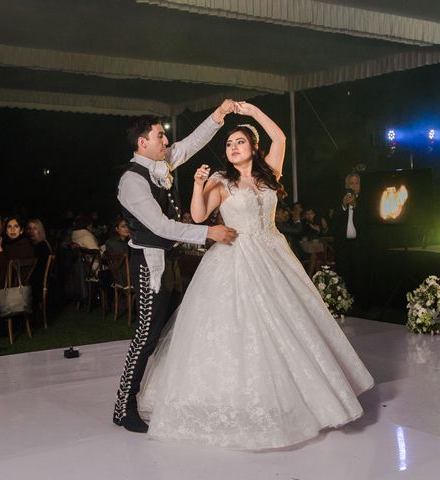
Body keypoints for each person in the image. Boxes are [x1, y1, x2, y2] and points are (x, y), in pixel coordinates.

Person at [136, 102, 374, 450]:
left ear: (253, 147)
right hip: (234, 256)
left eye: (239, 142)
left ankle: (300, 399)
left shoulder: (269, 176)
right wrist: (198, 184)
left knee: (289, 323)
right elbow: (199, 216)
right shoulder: (222, 181)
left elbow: (279, 136)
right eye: (229, 144)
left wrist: (251, 112)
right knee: (241, 328)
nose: (232, 148)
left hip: (274, 254)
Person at [112, 99, 238, 432]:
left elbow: (192, 143)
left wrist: (218, 115)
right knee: (147, 335)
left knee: (167, 331)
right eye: (159, 137)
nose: (166, 142)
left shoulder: (161, 164)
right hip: (149, 263)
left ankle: (160, 396)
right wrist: (207, 231)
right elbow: (161, 227)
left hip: (167, 261)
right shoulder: (132, 181)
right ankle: (124, 407)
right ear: (143, 142)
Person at [333, 173, 370, 309]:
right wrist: (343, 205)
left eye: (356, 184)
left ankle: (361, 306)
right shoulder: (339, 200)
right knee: (344, 274)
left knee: (360, 275)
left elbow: (367, 220)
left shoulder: (366, 200)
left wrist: (355, 205)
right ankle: (344, 304)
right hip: (343, 246)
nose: (353, 187)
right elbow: (334, 222)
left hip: (359, 245)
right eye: (351, 184)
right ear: (346, 186)